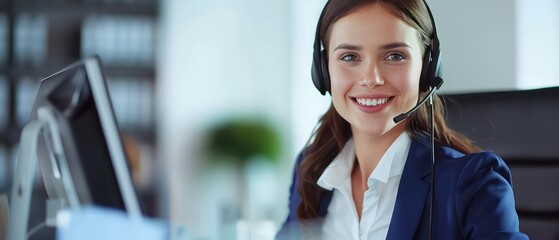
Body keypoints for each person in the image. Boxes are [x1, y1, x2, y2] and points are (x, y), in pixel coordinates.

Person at [277, 0, 528, 239]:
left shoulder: (475, 183)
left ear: (428, 69)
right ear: (322, 70)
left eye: (395, 56)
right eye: (350, 57)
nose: (371, 78)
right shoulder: (310, 170)